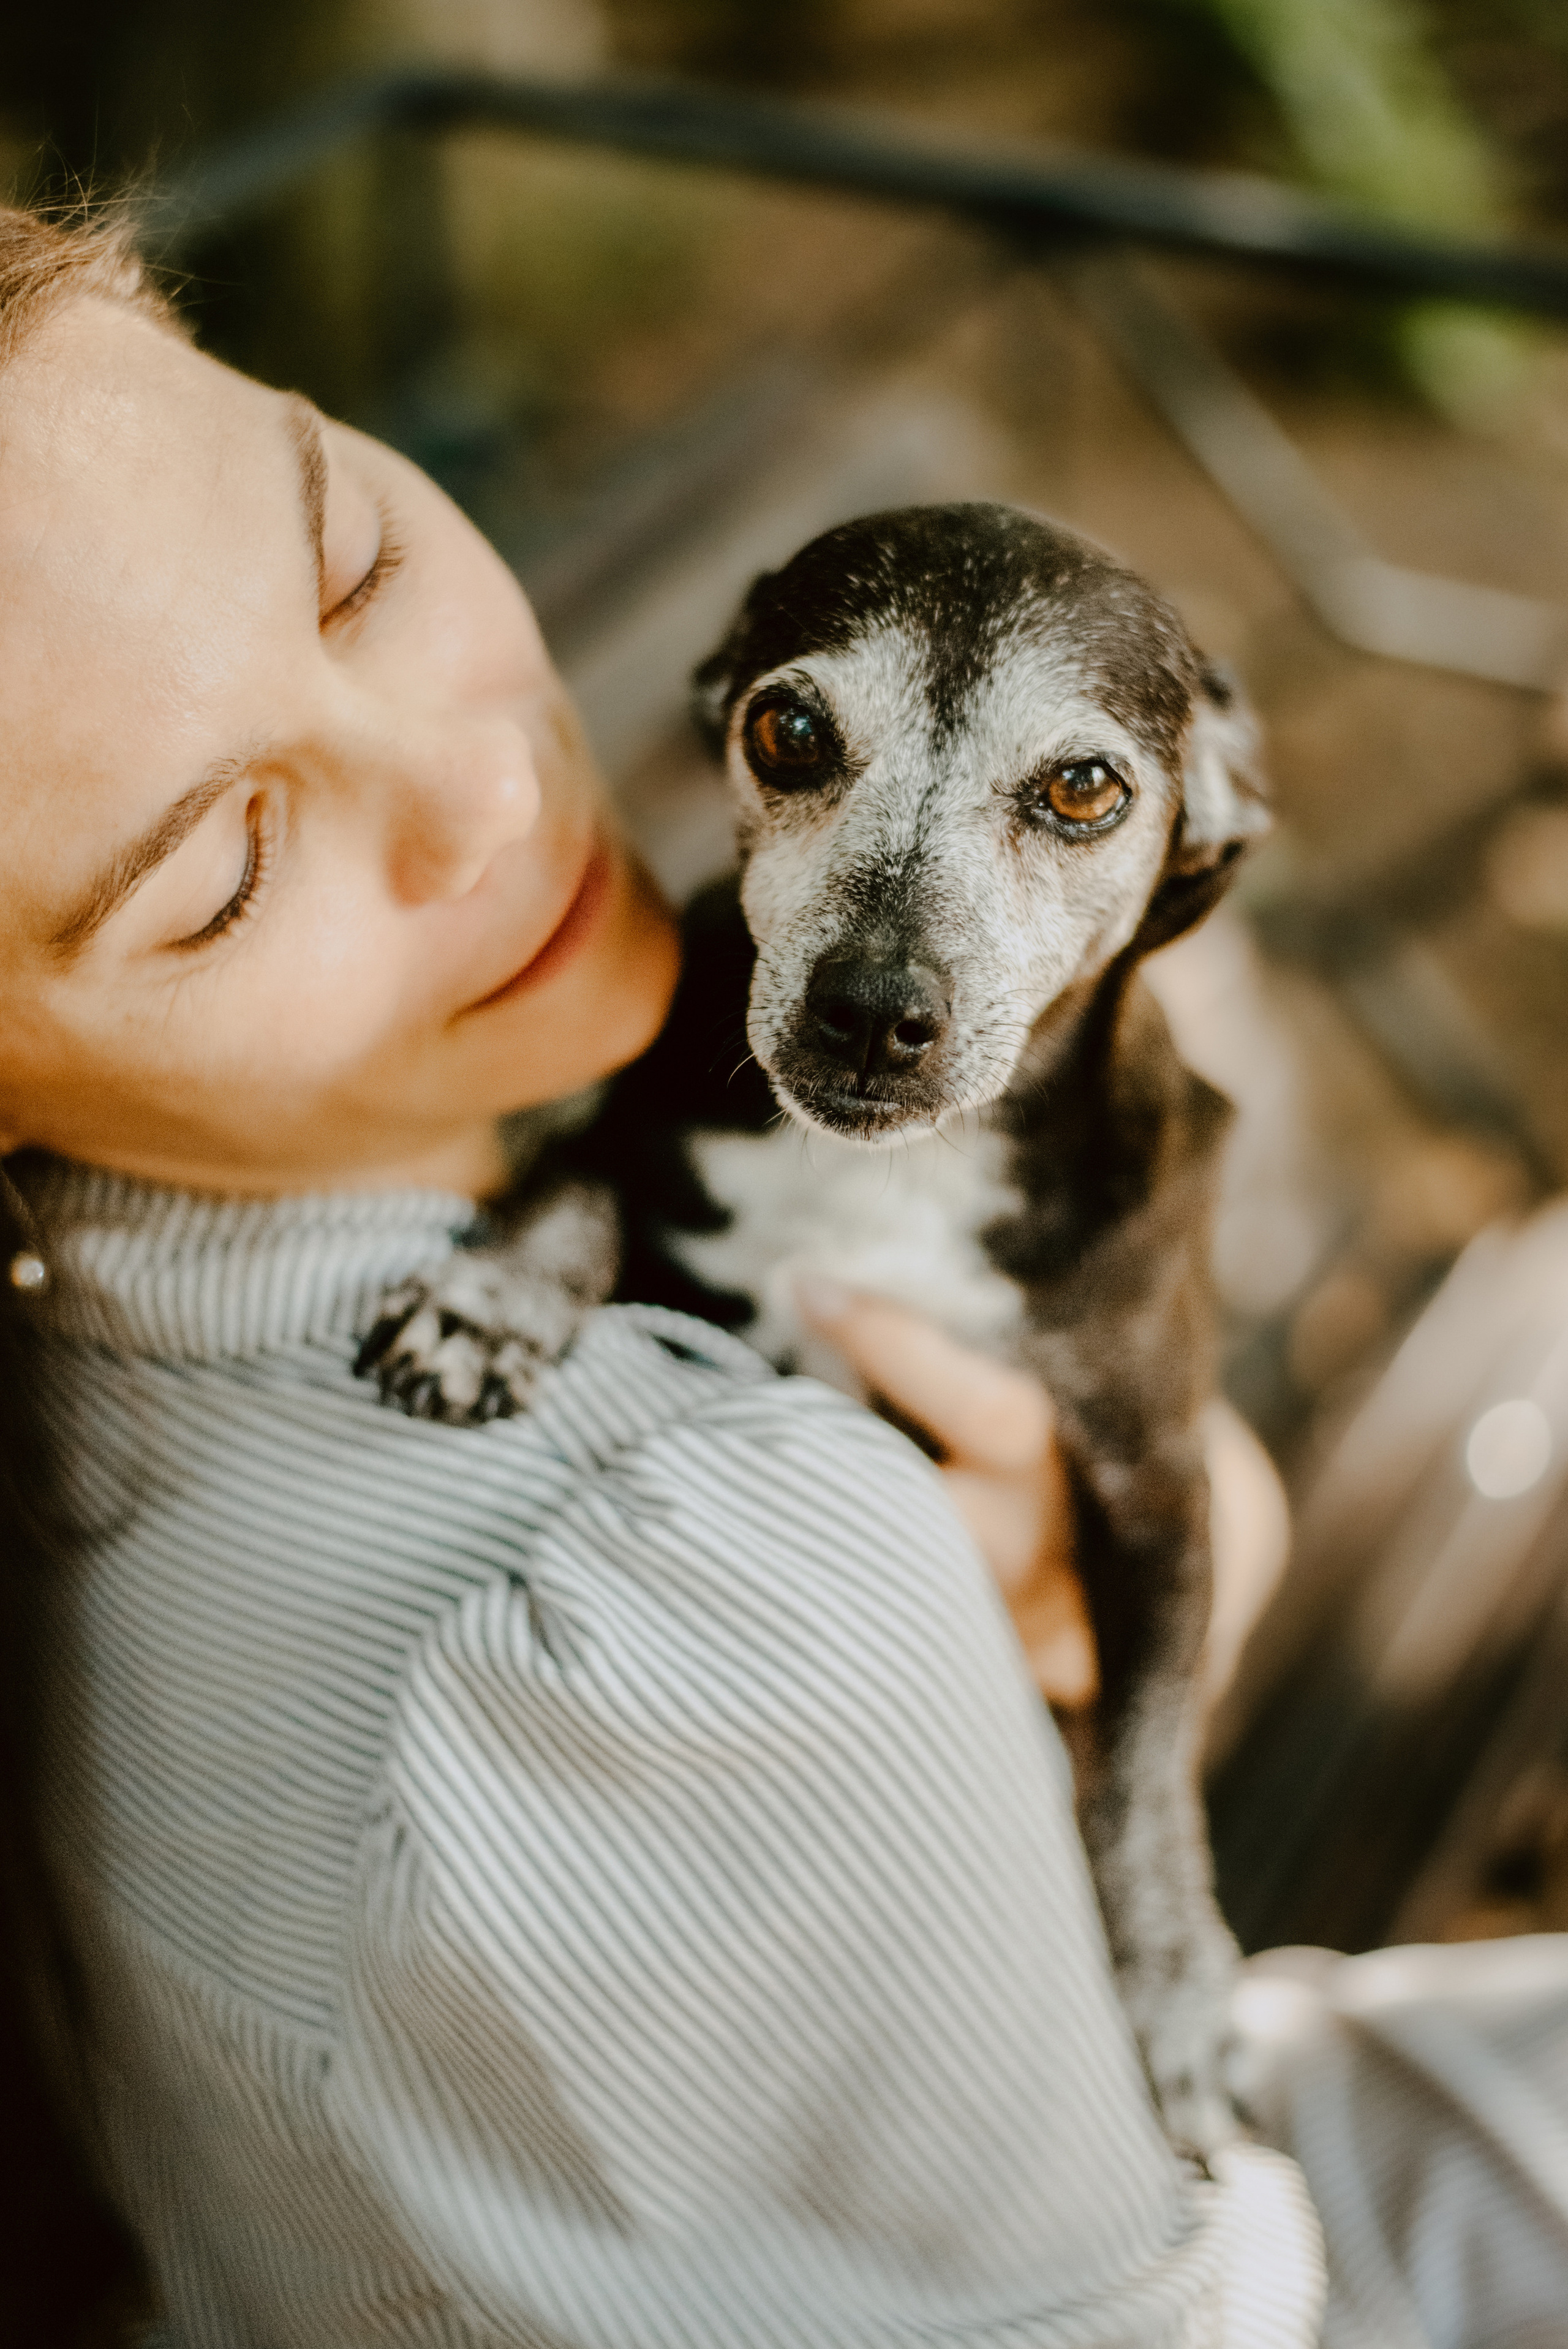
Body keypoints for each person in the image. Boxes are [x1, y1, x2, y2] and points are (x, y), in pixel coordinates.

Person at [0, 202, 1322, 2346]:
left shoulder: (122, 1364)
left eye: (355, 560)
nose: (498, 785)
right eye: (224, 869)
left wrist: (1197, 1526)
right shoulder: (734, 1577)